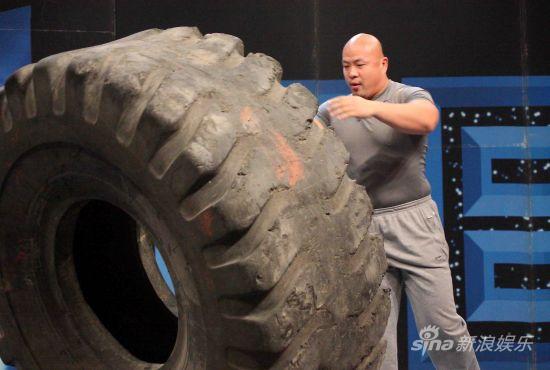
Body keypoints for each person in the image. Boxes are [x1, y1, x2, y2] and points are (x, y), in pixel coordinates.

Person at [314, 34, 480, 370]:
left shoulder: (408, 96)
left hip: (415, 223)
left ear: (382, 63)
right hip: (365, 231)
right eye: (346, 66)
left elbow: (427, 119)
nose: (352, 73)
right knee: (376, 340)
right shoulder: (332, 111)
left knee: (441, 329)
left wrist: (372, 107)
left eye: (359, 65)